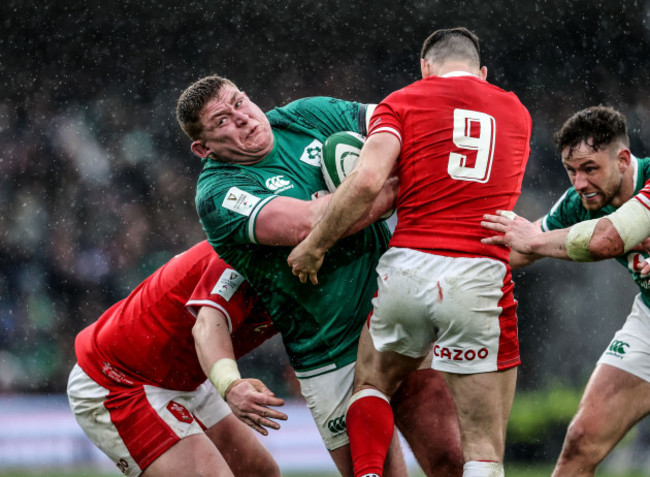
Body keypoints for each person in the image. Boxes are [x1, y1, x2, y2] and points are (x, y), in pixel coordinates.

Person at [177, 76, 463, 476]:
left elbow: (395, 122)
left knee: (450, 460)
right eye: (222, 120)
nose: (242, 118)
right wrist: (385, 184)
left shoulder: (305, 115)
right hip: (330, 354)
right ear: (203, 148)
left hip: (393, 315)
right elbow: (308, 226)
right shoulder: (220, 193)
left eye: (240, 102)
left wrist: (363, 187)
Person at [289, 27, 532, 477]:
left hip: (408, 269)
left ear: (425, 68)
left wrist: (315, 244)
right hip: (478, 276)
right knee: (482, 449)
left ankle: (366, 473)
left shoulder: (403, 100)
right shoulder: (516, 110)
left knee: (372, 384)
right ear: (482, 71)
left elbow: (365, 181)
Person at [481, 106, 650, 477]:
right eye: (571, 170)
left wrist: (535, 241)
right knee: (580, 441)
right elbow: (522, 248)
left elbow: (606, 240)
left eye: (590, 168)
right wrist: (451, 268)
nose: (579, 183)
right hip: (648, 320)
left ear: (623, 159)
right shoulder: (582, 202)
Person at [67, 240, 285, 477]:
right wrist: (230, 384)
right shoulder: (243, 255)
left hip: (182, 378)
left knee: (260, 473)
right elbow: (206, 328)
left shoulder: (298, 270)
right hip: (118, 379)